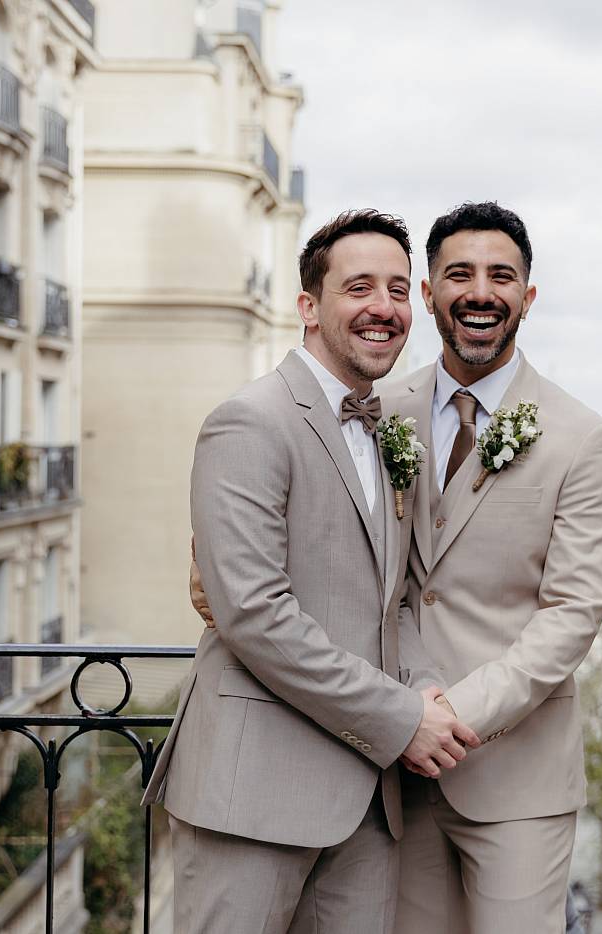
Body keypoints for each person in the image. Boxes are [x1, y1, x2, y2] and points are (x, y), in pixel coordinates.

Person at [141, 209, 479, 934]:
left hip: (365, 805)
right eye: (359, 287)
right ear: (308, 306)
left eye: (396, 290)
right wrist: (400, 720)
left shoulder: (385, 430)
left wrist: (421, 684)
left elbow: (390, 602)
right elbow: (254, 614)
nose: (382, 308)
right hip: (253, 793)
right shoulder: (249, 421)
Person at [387, 202, 602, 933]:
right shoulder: (377, 413)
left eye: (501, 276)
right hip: (391, 763)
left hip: (515, 779)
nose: (479, 292)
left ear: (527, 295)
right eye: (459, 275)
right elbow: (381, 582)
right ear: (427, 294)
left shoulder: (582, 438)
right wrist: (406, 708)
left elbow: (572, 614)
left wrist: (453, 719)